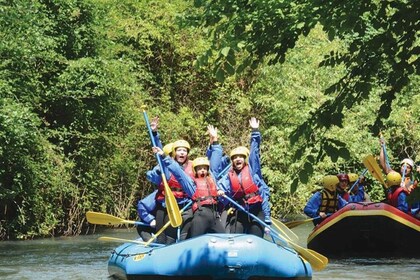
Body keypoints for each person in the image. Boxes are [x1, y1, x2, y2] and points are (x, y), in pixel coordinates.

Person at [215, 117, 270, 237]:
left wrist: (255, 131)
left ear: (244, 159)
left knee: (255, 233)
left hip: (256, 209)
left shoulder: (253, 169)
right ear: (232, 161)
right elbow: (220, 187)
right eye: (235, 158)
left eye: (240, 157)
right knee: (236, 234)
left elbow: (255, 152)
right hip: (240, 210)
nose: (238, 159)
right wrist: (219, 191)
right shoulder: (229, 176)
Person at [153, 149, 226, 237]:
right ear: (195, 171)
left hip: (214, 216)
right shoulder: (191, 185)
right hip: (200, 216)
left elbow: (216, 160)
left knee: (224, 238)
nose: (202, 170)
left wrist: (219, 190)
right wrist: (164, 156)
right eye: (199, 169)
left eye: (204, 168)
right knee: (195, 238)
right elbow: (177, 171)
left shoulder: (212, 180)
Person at [146, 139, 194, 244]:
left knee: (177, 233)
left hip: (184, 204)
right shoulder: (167, 165)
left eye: (184, 151)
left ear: (187, 153)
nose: (182, 153)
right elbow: (159, 154)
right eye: (179, 150)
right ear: (174, 153)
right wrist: (155, 134)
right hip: (166, 204)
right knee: (162, 233)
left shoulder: (193, 166)